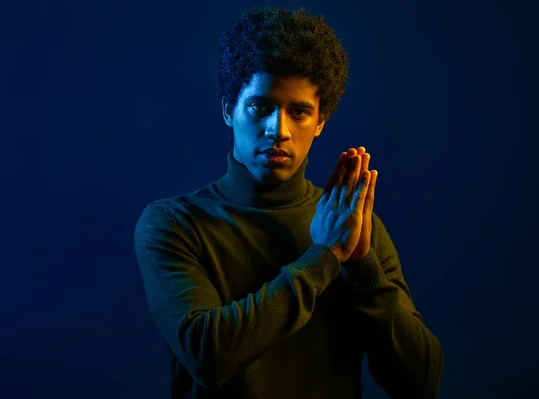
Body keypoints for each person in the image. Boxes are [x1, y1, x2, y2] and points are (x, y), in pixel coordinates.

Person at [134, 5, 443, 398]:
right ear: (229, 110)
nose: (278, 129)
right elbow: (209, 357)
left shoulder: (351, 226)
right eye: (260, 107)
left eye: (299, 112)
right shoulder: (174, 223)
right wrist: (325, 256)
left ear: (321, 122)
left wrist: (363, 266)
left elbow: (421, 382)